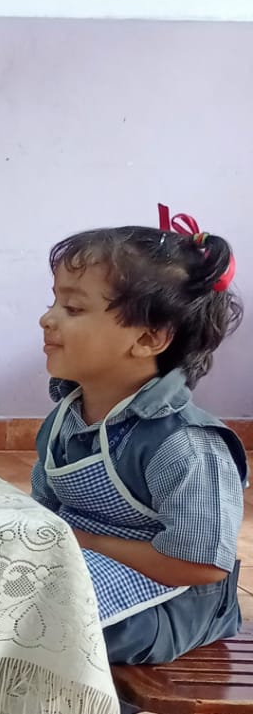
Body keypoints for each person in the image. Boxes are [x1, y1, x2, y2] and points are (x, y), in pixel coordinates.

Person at [32, 224, 245, 664]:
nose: (48, 318)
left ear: (149, 338)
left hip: (172, 603)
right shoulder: (63, 421)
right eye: (54, 300)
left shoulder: (186, 444)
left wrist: (86, 542)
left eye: (72, 307)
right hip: (86, 564)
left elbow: (202, 564)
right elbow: (45, 514)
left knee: (39, 626)